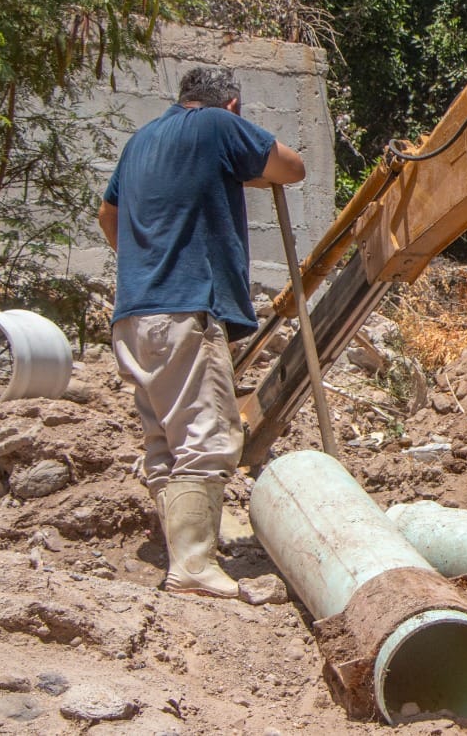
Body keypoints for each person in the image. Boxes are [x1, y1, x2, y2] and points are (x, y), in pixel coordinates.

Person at [97, 67, 305, 598]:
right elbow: (293, 167)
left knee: (164, 440)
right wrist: (249, 170)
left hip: (134, 314)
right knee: (209, 437)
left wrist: (145, 265)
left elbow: (107, 215)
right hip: (185, 311)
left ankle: (180, 554)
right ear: (231, 105)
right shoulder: (216, 125)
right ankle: (192, 566)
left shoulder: (140, 142)